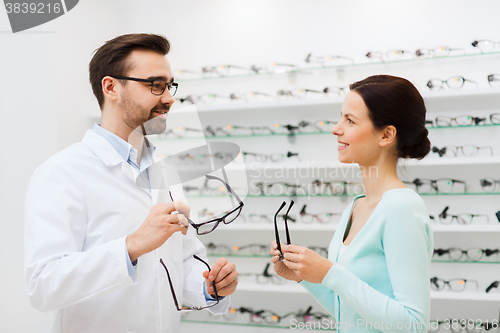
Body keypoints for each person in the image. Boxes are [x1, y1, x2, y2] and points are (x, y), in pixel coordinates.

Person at [25, 33, 238, 333]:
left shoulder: (165, 174)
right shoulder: (62, 173)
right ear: (111, 87)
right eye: (155, 85)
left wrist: (211, 284)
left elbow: (180, 262)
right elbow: (43, 285)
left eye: (169, 85)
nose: (169, 98)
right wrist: (132, 246)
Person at [271, 75, 434, 332]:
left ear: (386, 135)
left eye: (350, 120)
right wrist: (306, 276)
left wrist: (329, 272)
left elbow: (413, 324)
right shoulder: (355, 207)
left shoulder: (401, 208)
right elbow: (350, 311)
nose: (336, 129)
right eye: (341, 117)